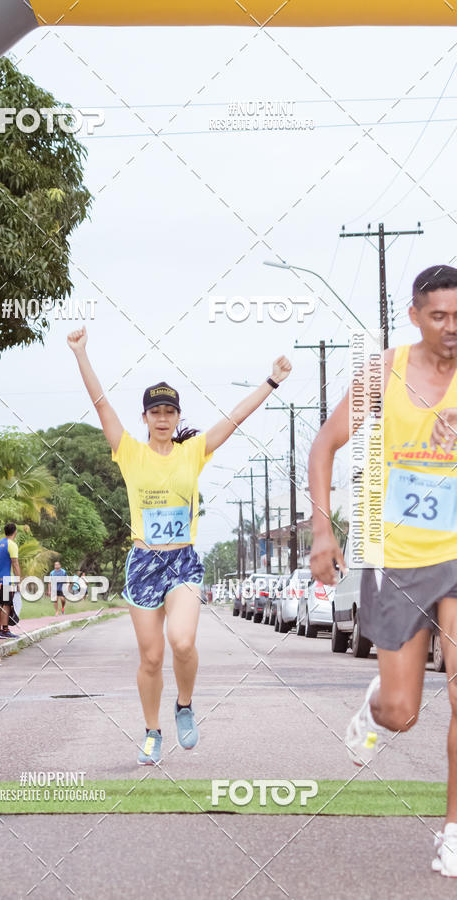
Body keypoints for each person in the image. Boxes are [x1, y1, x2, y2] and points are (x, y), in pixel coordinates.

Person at [68, 325, 291, 765]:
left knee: (182, 642)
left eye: (170, 411)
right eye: (156, 411)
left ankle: (184, 706)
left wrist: (272, 381)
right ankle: (152, 732)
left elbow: (235, 418)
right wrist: (81, 355)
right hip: (142, 564)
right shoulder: (128, 452)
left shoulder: (195, 452)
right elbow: (101, 405)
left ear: (177, 416)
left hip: (183, 563)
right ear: (146, 418)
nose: (164, 418)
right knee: (151, 658)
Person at [308, 264, 457, 878]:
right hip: (398, 557)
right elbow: (323, 445)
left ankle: (453, 831)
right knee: (405, 711)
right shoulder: (384, 375)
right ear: (416, 316)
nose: (452, 328)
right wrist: (322, 531)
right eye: (440, 316)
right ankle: (375, 709)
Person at [0, 523, 20, 638]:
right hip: (7, 580)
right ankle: (5, 630)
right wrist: (18, 581)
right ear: (15, 532)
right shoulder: (12, 545)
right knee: (6, 604)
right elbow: (15, 564)